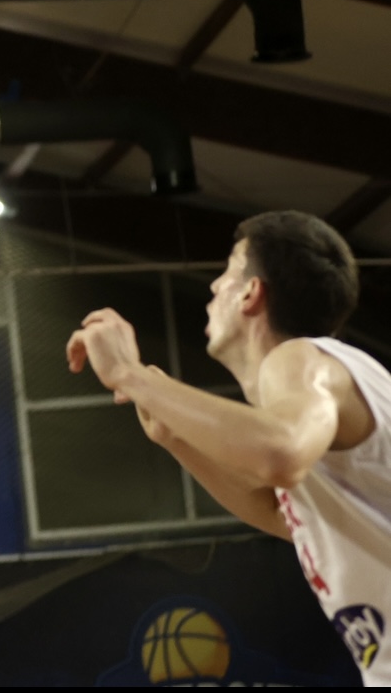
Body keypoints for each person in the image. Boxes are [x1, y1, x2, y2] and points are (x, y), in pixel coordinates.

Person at [66, 210, 391, 686]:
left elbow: (280, 454)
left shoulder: (298, 359)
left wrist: (127, 373)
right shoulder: (337, 377)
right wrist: (176, 435)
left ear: (251, 292)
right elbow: (288, 517)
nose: (215, 286)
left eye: (228, 271)